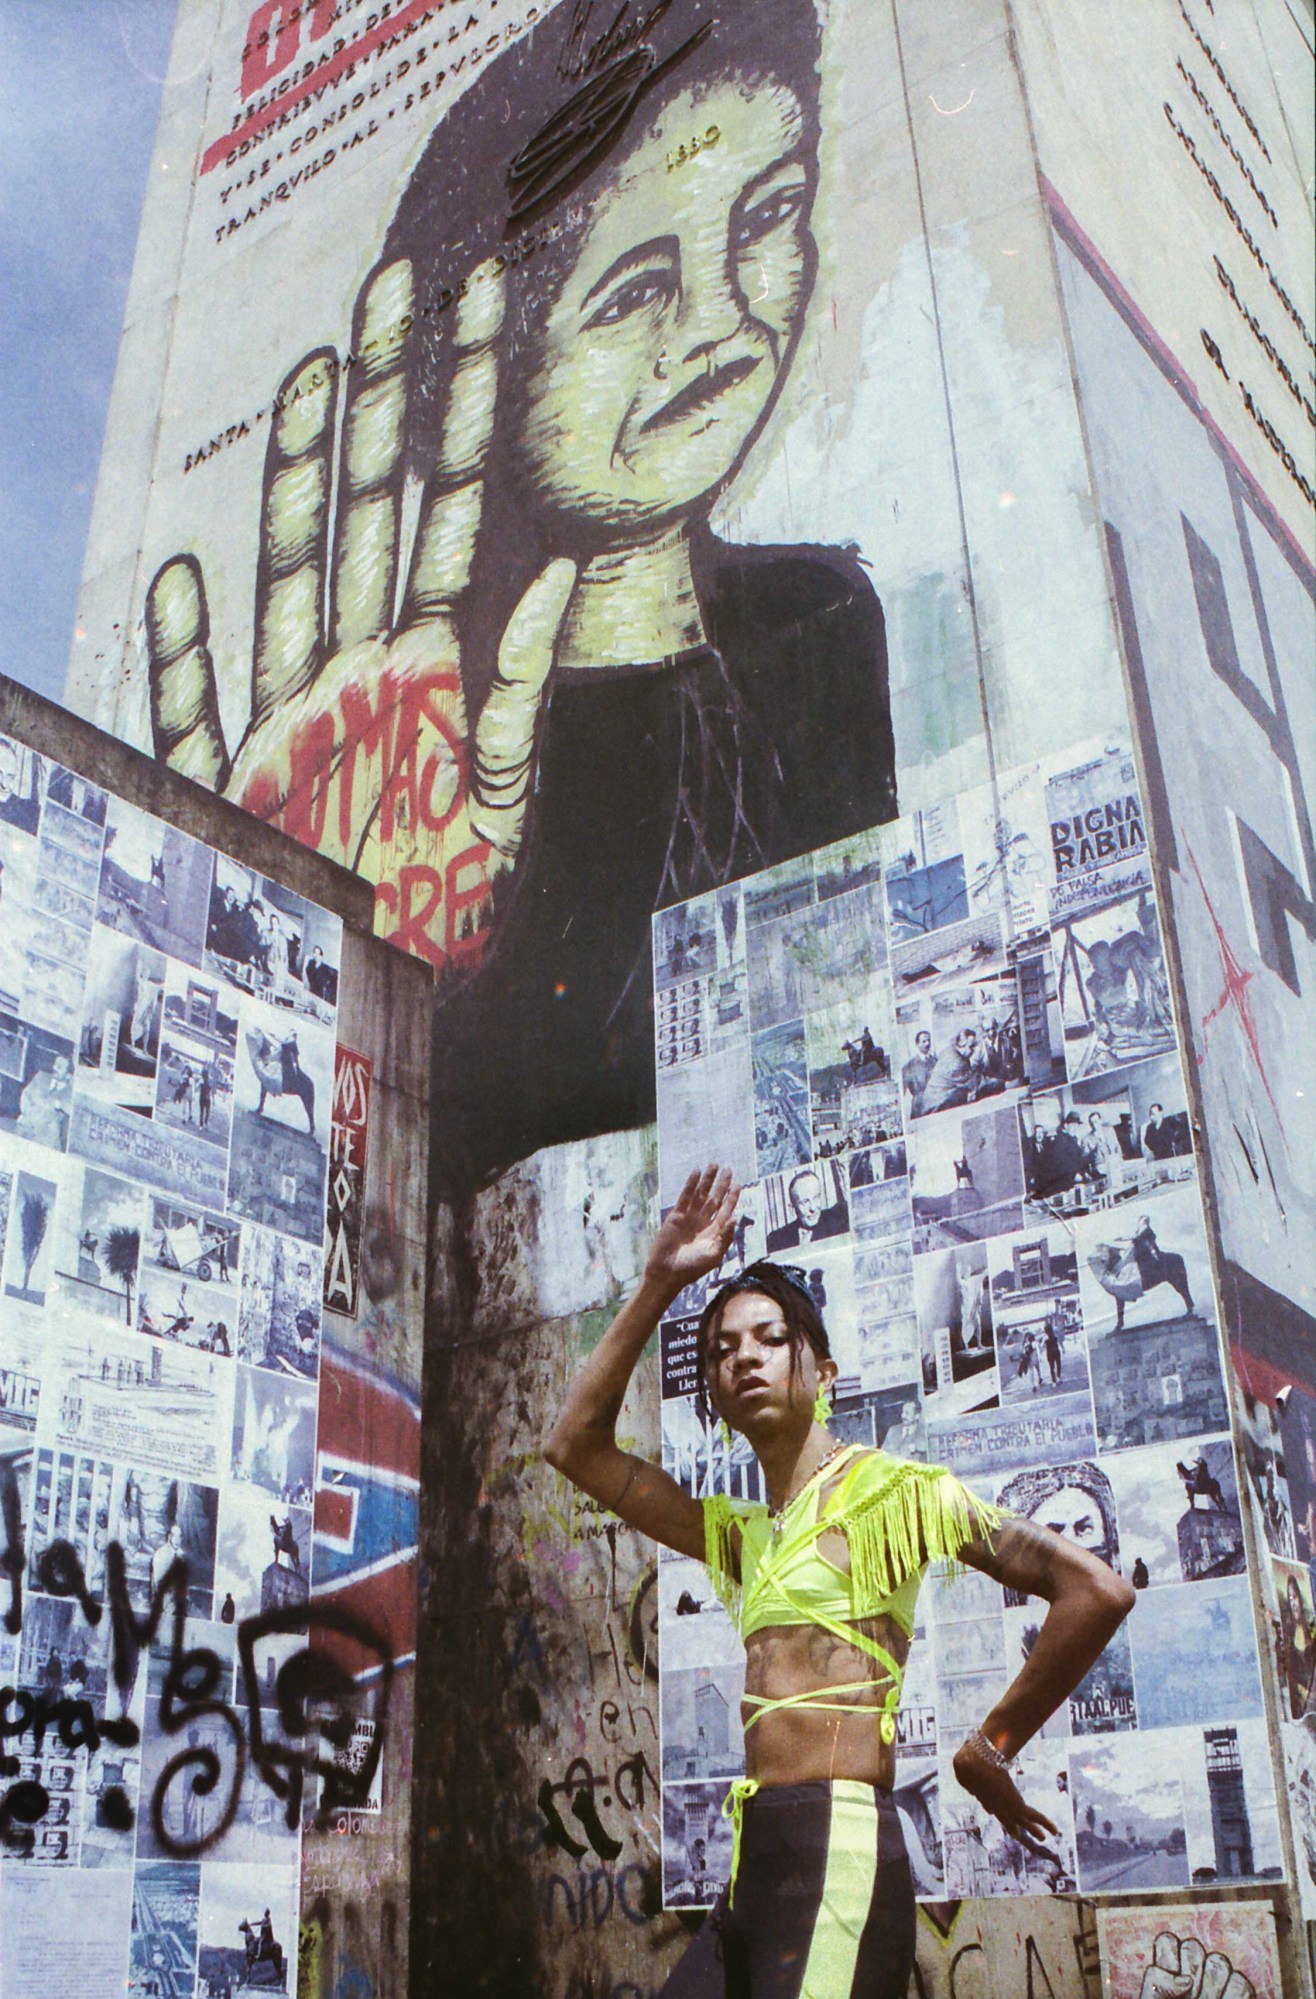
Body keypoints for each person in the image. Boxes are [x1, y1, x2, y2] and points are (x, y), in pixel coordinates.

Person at [144, 0, 897, 1193]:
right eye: (634, 288)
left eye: (765, 219)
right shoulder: (430, 766)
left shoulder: (824, 618)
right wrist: (316, 976)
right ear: (477, 381)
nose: (723, 321)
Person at [546, 1166, 1134, 1996]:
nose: (742, 1355)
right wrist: (660, 1280)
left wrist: (989, 1747)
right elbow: (573, 1445)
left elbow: (1096, 1590)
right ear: (712, 1393)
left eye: (768, 1337)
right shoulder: (742, 1536)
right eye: (721, 1350)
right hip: (758, 1860)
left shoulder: (895, 1494)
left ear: (822, 1372)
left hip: (841, 1847)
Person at [765, 1167, 847, 1250]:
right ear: (792, 1209)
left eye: (816, 1197)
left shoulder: (838, 1218)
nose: (813, 1208)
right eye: (805, 1202)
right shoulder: (777, 1240)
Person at [900, 1030, 935, 1118]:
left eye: (929, 1040)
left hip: (936, 1103)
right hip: (920, 1107)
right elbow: (901, 1093)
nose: (927, 1044)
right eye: (924, 1041)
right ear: (917, 1044)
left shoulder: (935, 1061)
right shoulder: (909, 1067)